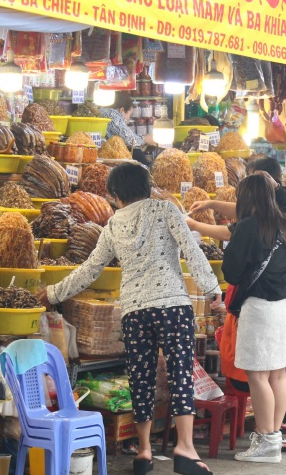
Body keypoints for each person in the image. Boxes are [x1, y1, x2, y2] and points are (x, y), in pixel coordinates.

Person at [37, 163, 221, 475]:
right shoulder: (165, 210)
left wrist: (53, 293)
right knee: (180, 375)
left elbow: (90, 270)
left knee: (141, 379)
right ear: (146, 186)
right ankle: (185, 449)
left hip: (135, 311)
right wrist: (212, 289)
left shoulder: (112, 225)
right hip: (173, 306)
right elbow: (192, 250)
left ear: (117, 195)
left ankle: (144, 452)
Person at [221, 175, 286, 463]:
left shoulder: (248, 228)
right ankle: (274, 439)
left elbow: (231, 273)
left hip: (261, 309)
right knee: (278, 373)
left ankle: (266, 440)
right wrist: (277, 187)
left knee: (258, 375)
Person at [186, 157, 286, 241]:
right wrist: (210, 204)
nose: (245, 181)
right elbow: (242, 210)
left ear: (260, 182)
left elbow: (228, 234)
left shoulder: (258, 221)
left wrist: (194, 225)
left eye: (249, 176)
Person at [98, 91, 156, 161]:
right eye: (129, 115)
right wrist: (146, 139)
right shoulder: (112, 115)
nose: (128, 121)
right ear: (121, 110)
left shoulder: (101, 112)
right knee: (136, 152)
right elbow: (128, 139)